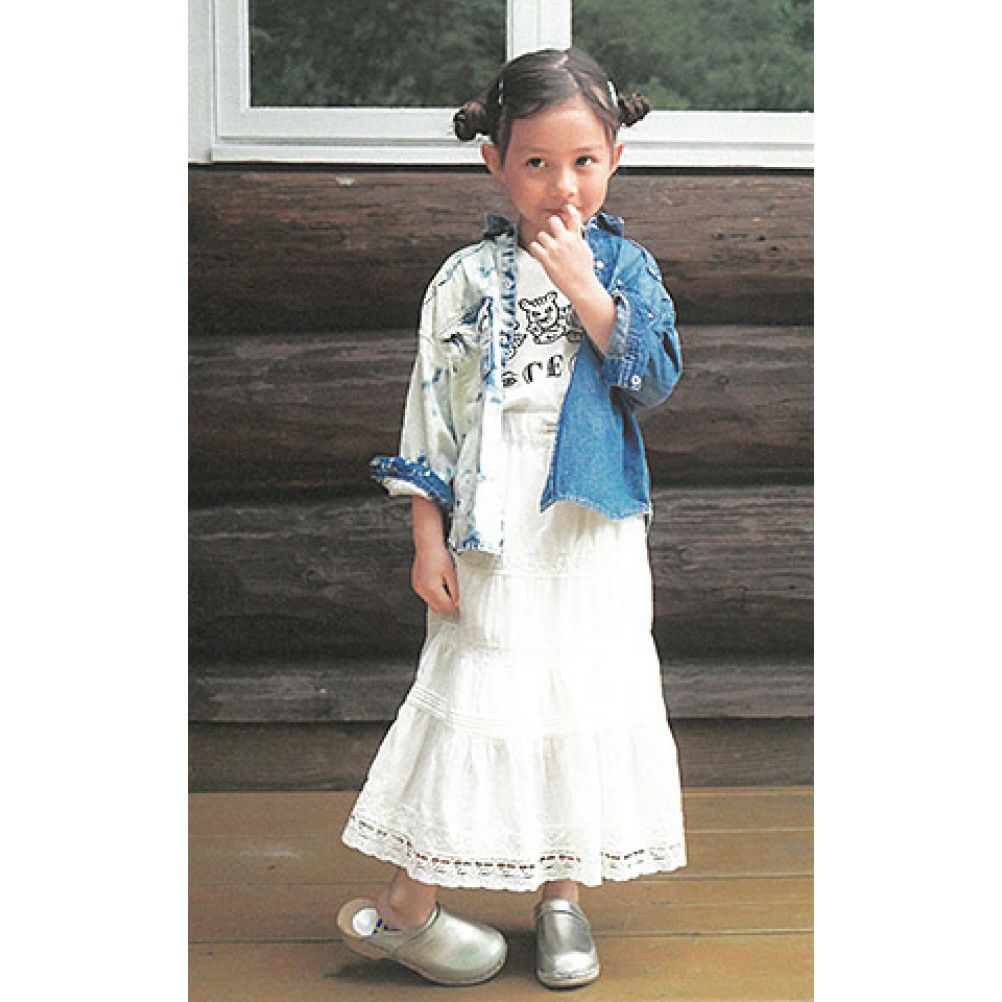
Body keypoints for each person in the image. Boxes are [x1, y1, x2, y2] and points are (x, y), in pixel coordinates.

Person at [337, 46, 687, 990]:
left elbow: (655, 378)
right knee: (486, 691)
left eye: (583, 161)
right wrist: (426, 537)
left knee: (578, 696)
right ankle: (407, 906)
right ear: (495, 161)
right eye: (536, 162)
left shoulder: (626, 267)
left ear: (615, 157)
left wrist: (587, 291)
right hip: (493, 524)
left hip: (591, 526)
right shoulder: (464, 280)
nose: (562, 185)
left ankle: (561, 898)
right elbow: (433, 416)